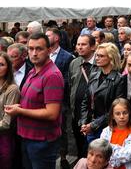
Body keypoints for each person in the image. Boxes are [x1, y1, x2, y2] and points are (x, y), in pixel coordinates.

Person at [5, 33, 64, 169]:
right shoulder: (34, 70)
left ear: (49, 50)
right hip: (28, 138)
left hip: (42, 142)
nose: (34, 53)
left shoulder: (52, 75)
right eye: (31, 49)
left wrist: (20, 110)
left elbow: (52, 113)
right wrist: (18, 106)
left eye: (39, 49)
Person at [80, 43, 124, 143]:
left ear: (111, 58)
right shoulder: (94, 75)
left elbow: (115, 109)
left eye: (101, 56)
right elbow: (85, 101)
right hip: (90, 126)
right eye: (97, 55)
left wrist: (93, 125)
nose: (97, 58)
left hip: (107, 128)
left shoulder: (119, 79)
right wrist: (84, 122)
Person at [45, 27, 74, 169]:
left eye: (48, 35)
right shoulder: (44, 53)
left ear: (56, 38)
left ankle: (63, 155)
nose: (45, 37)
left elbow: (69, 80)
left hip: (61, 99)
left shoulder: (67, 57)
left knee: (61, 129)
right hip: (44, 98)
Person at [69, 34, 98, 159]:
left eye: (83, 44)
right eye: (78, 44)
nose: (80, 47)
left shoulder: (100, 62)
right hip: (77, 115)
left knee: (94, 150)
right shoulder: (74, 63)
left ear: (93, 47)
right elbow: (71, 84)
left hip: (94, 117)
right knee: (80, 147)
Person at [100, 98, 131, 169]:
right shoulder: (107, 131)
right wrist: (120, 150)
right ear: (113, 116)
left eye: (125, 113)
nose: (122, 117)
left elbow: (126, 156)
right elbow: (102, 151)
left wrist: (108, 148)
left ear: (129, 114)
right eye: (117, 114)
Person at [0, 52, 20, 169]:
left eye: (1, 64)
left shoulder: (12, 89)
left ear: (8, 67)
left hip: (3, 138)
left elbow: (7, 123)